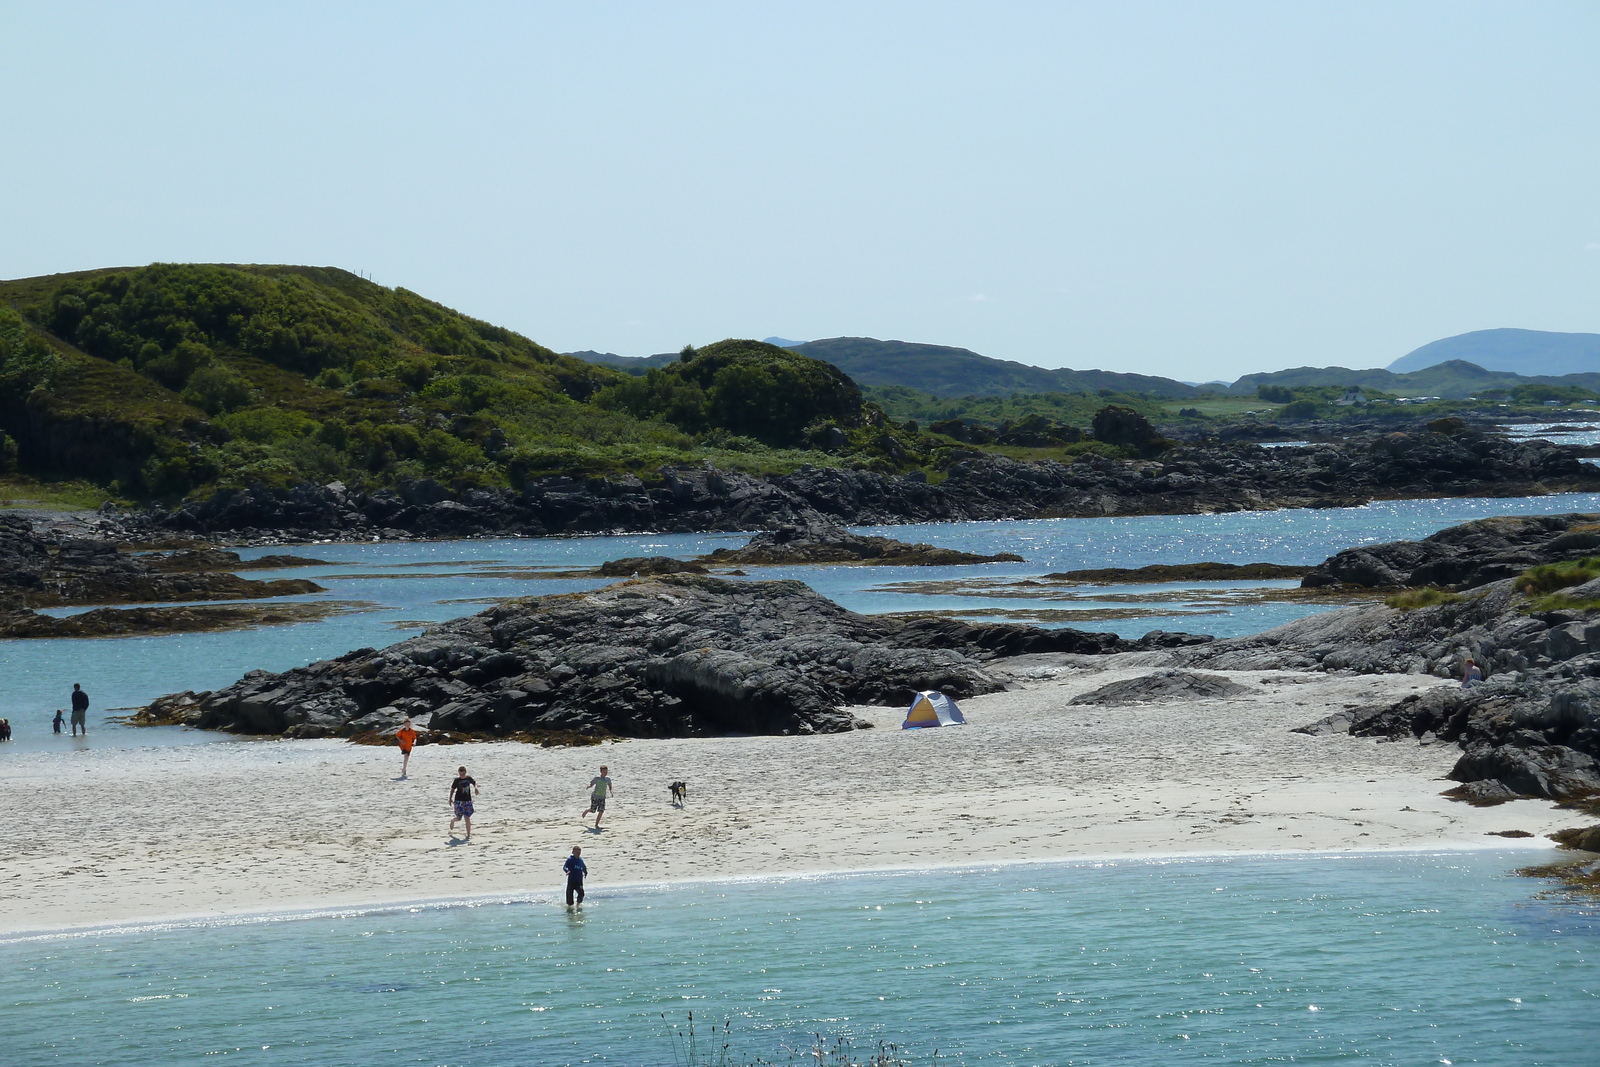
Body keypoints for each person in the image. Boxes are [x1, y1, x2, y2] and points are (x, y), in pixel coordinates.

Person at [448, 765, 479, 840]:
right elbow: (452, 789)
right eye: (460, 774)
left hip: (467, 801)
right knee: (459, 818)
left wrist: (476, 788)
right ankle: (452, 821)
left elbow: (474, 783)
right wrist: (450, 798)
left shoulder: (468, 778)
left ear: (465, 772)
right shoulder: (457, 780)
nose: (461, 775)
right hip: (458, 801)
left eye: (463, 774)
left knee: (467, 818)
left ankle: (468, 835)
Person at [584, 765, 614, 829]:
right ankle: (587, 811)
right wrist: (589, 786)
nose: (605, 773)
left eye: (606, 771)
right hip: (595, 797)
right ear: (601, 772)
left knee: (601, 810)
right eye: (604, 772)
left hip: (602, 798)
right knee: (593, 810)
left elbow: (610, 785)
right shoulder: (597, 778)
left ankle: (596, 824)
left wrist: (611, 791)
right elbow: (591, 784)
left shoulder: (607, 779)